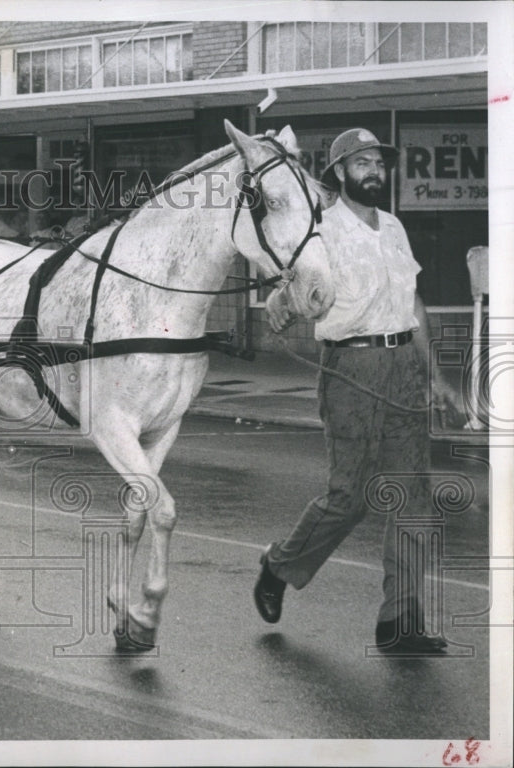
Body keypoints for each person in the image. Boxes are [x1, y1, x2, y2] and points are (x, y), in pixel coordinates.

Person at [253, 128, 463, 655]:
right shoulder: (319, 228)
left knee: (413, 499)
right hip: (352, 366)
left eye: (380, 162)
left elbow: (414, 306)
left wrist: (436, 376)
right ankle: (280, 564)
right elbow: (293, 286)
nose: (375, 170)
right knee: (350, 495)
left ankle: (400, 623)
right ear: (341, 171)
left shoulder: (393, 226)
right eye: (363, 162)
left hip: (404, 365)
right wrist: (281, 300)